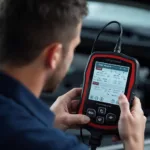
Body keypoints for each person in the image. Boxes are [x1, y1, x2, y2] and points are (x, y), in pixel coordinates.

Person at [0, 0, 146, 150]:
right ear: (54, 55)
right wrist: (134, 142)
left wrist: (47, 125)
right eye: (74, 47)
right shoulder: (58, 145)